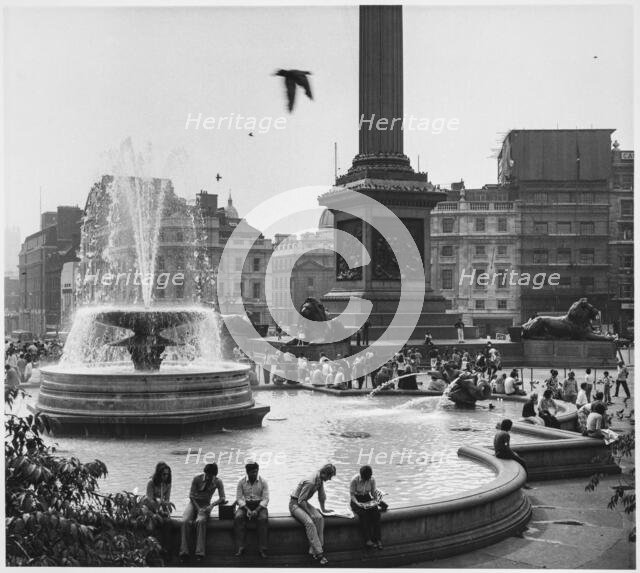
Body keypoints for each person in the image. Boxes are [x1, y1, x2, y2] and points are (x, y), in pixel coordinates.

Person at [289, 463, 337, 565]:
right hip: (295, 504)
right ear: (324, 473)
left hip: (303, 503)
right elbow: (300, 500)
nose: (330, 479)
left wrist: (324, 509)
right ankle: (320, 553)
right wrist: (310, 513)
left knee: (320, 518)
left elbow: (321, 496)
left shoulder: (319, 479)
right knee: (309, 523)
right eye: (329, 476)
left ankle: (314, 550)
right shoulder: (311, 481)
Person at [180, 463, 226, 561]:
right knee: (184, 521)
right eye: (208, 475)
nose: (209, 478)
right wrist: (198, 509)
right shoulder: (197, 479)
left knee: (200, 521)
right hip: (194, 503)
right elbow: (191, 496)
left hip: (206, 504)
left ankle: (199, 553)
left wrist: (212, 505)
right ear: (205, 473)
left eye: (212, 476)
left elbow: (222, 498)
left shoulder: (218, 482)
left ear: (215, 475)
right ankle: (184, 552)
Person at [234, 462, 269, 558]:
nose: (254, 474)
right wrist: (247, 509)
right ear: (247, 472)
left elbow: (265, 499)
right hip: (245, 505)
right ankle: (240, 546)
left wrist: (256, 510)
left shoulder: (263, 482)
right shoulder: (241, 482)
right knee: (238, 517)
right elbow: (239, 498)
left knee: (262, 519)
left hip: (260, 506)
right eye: (252, 472)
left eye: (256, 471)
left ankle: (262, 548)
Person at [350, 465, 383, 549]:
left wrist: (377, 499)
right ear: (361, 476)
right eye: (366, 478)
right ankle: (367, 540)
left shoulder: (372, 479)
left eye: (369, 477)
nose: (368, 479)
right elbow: (352, 495)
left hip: (367, 498)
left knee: (376, 514)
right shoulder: (354, 480)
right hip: (356, 499)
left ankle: (377, 539)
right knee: (363, 515)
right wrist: (357, 503)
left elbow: (372, 492)